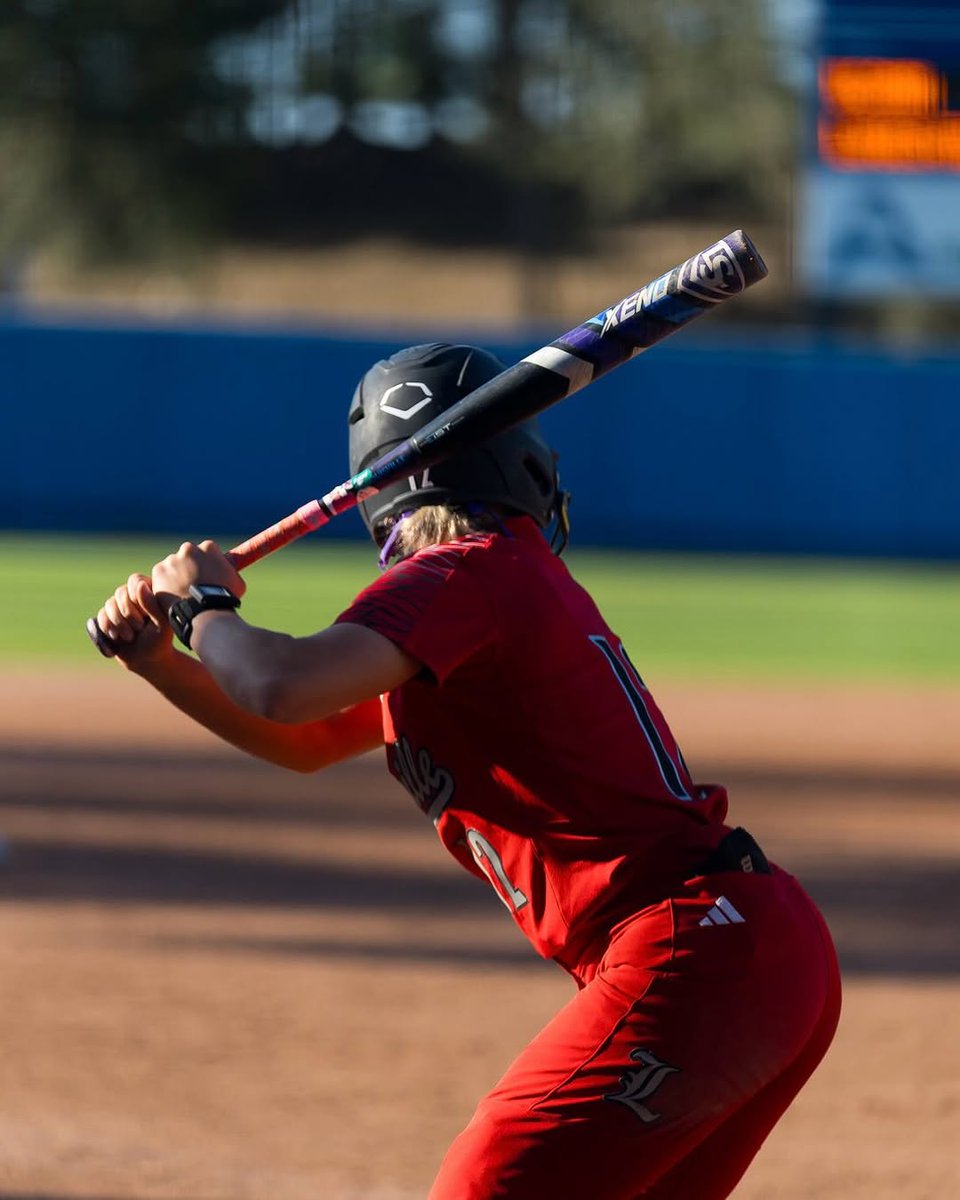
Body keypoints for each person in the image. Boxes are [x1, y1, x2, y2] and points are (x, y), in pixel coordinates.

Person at [94, 342, 841, 1199]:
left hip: (696, 954)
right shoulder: (476, 591)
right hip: (746, 954)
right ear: (515, 462)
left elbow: (279, 685)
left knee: (483, 1184)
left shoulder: (464, 574)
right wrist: (160, 658)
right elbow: (302, 734)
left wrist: (203, 608)